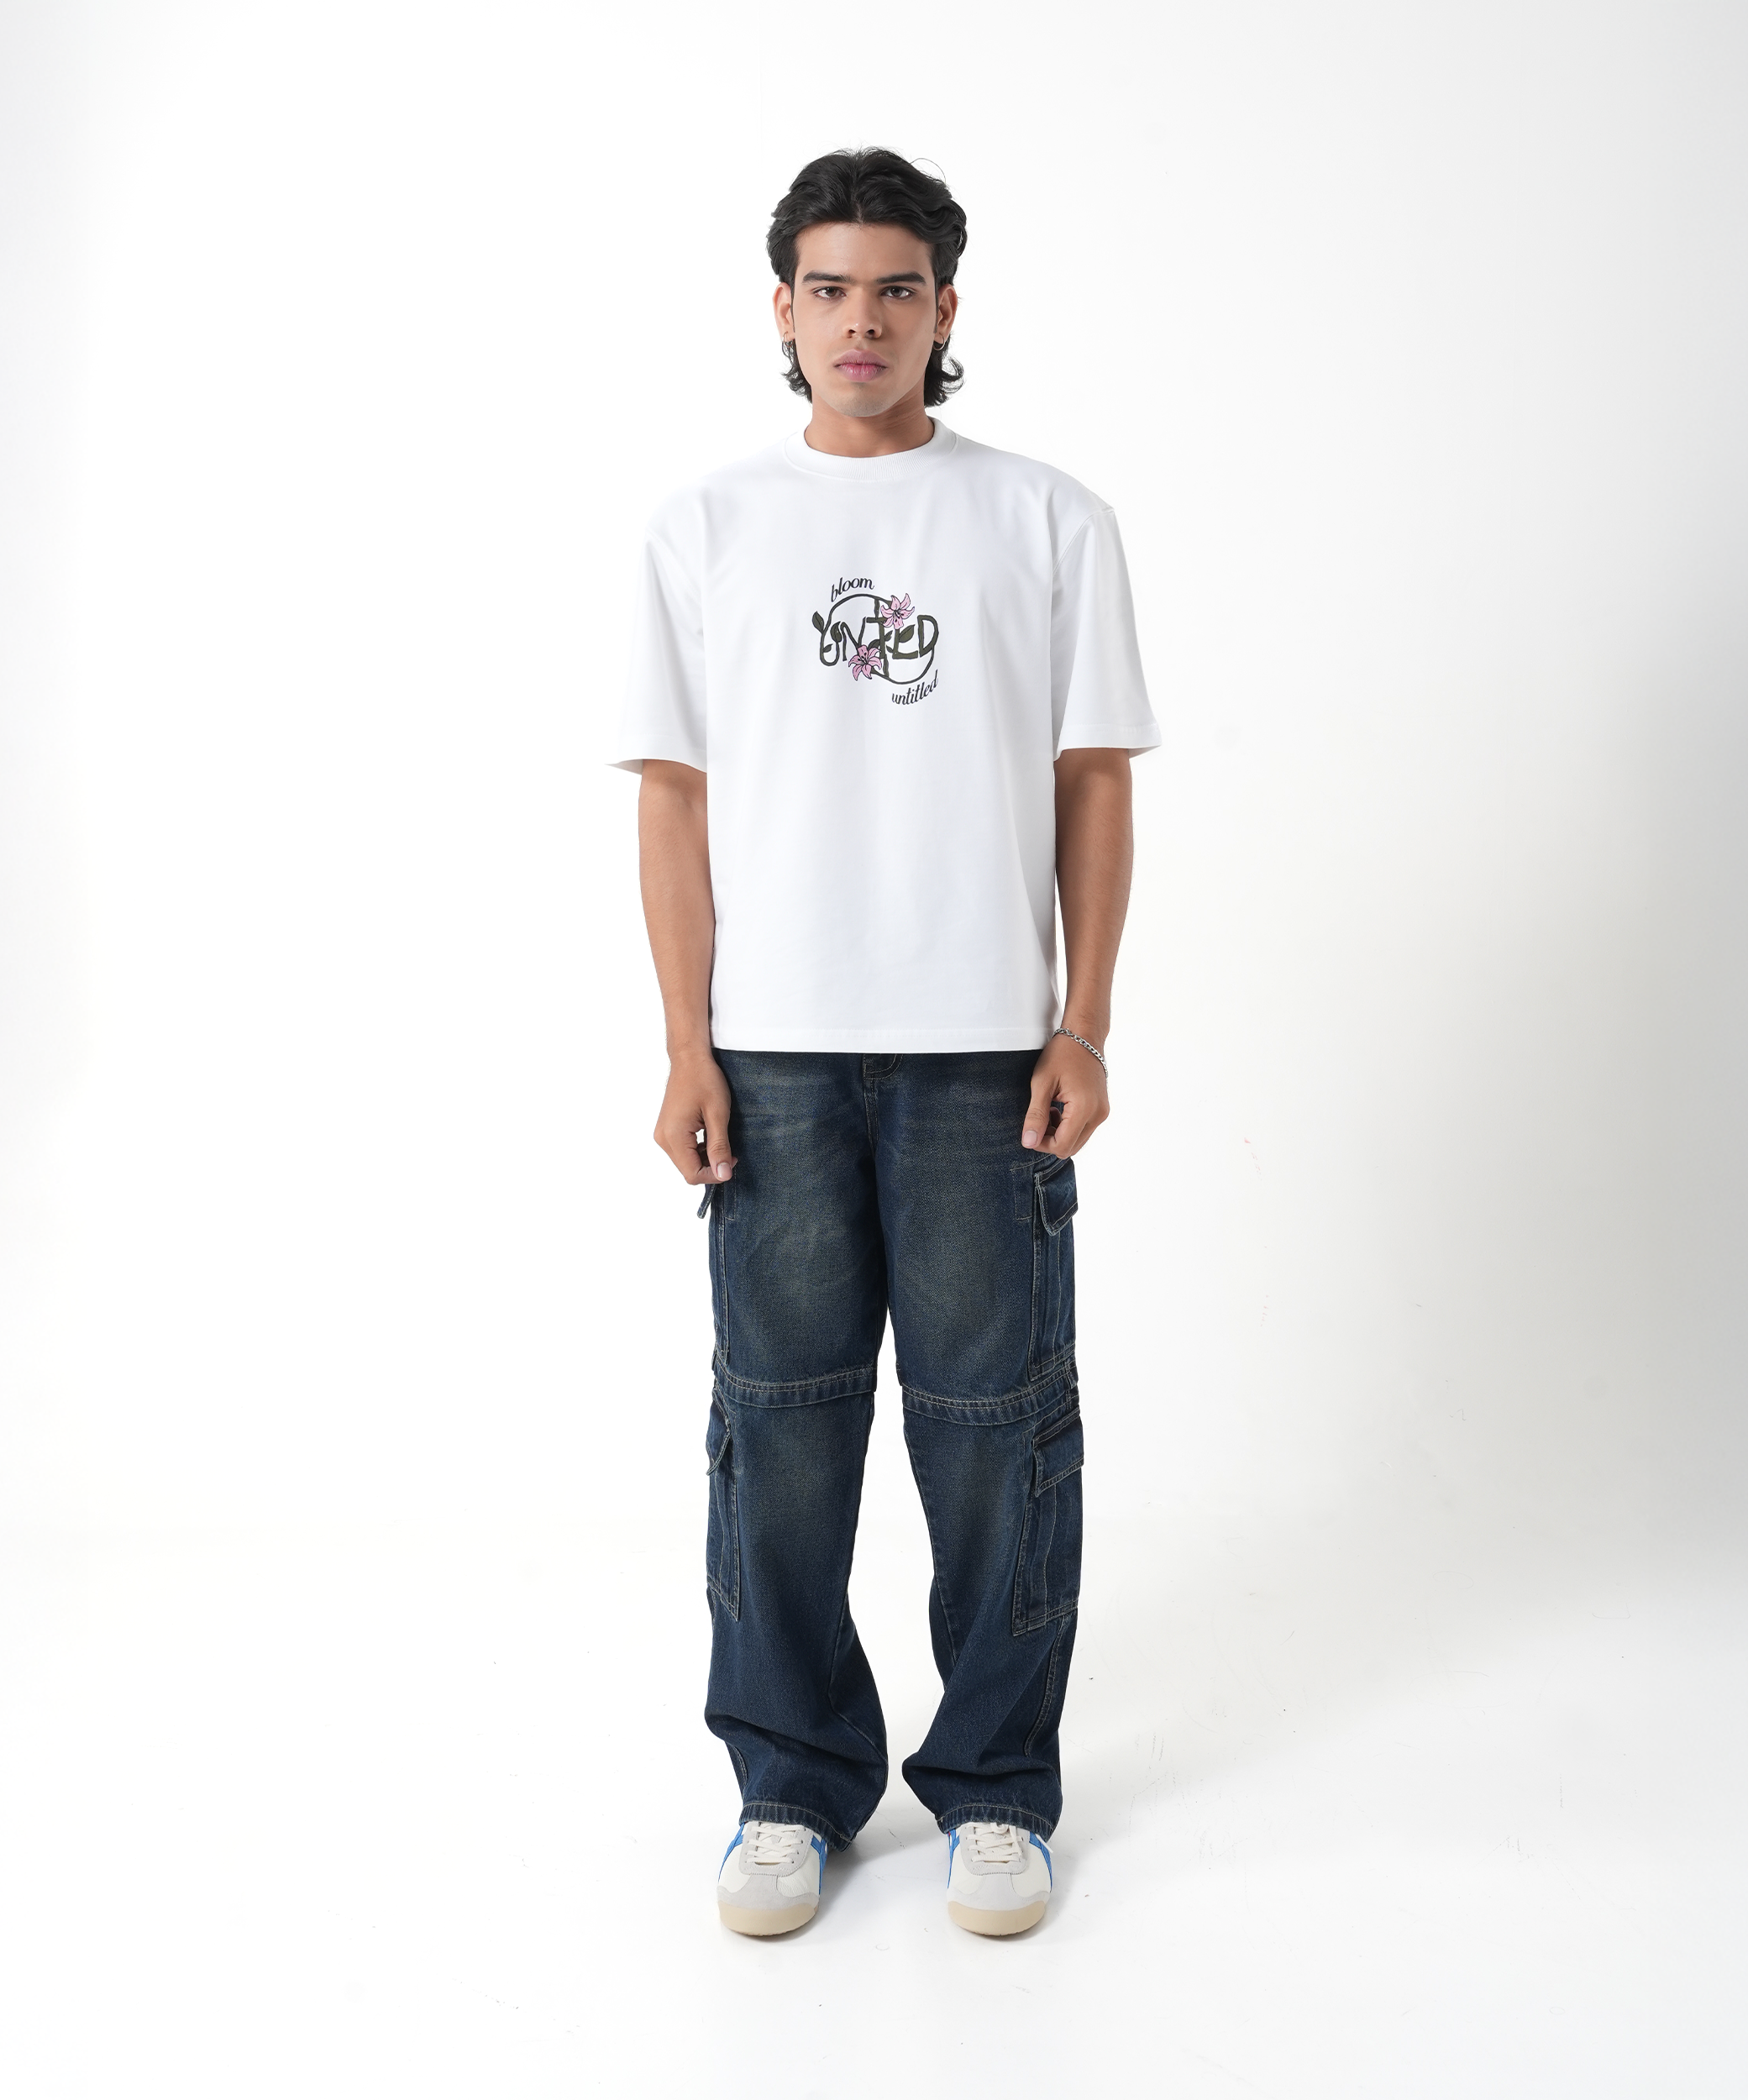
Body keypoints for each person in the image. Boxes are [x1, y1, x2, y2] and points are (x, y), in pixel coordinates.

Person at [615, 148, 1158, 1939]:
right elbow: (674, 802)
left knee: (994, 1432)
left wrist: (1083, 1018)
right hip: (771, 1053)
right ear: (782, 310)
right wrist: (685, 1043)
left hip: (981, 1051)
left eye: (897, 289)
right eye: (832, 289)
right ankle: (790, 1781)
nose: (864, 321)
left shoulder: (1045, 519)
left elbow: (1092, 782)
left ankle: (994, 1787)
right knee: (776, 1432)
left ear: (945, 309)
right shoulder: (705, 526)